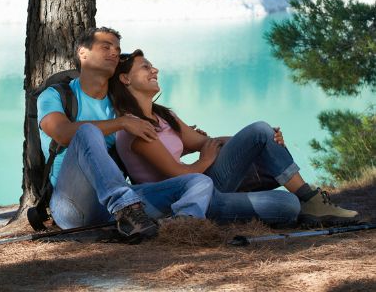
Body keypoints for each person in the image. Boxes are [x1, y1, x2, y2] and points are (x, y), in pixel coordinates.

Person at [109, 49, 360, 227]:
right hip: (187, 201)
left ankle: (310, 199)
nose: (155, 69)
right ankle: (306, 202)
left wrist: (262, 141)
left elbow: (203, 142)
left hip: (207, 184)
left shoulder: (164, 116)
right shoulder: (134, 128)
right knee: (288, 206)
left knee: (262, 133)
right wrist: (206, 160)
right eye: (146, 67)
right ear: (125, 78)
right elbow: (178, 173)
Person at [38, 27, 215, 242]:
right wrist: (121, 123)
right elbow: (63, 133)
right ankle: (127, 209)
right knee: (86, 131)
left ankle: (183, 225)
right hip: (71, 205)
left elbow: (142, 150)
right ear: (83, 53)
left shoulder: (121, 107)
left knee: (197, 182)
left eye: (117, 48)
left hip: (116, 208)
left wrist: (183, 143)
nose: (114, 52)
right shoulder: (55, 95)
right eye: (106, 47)